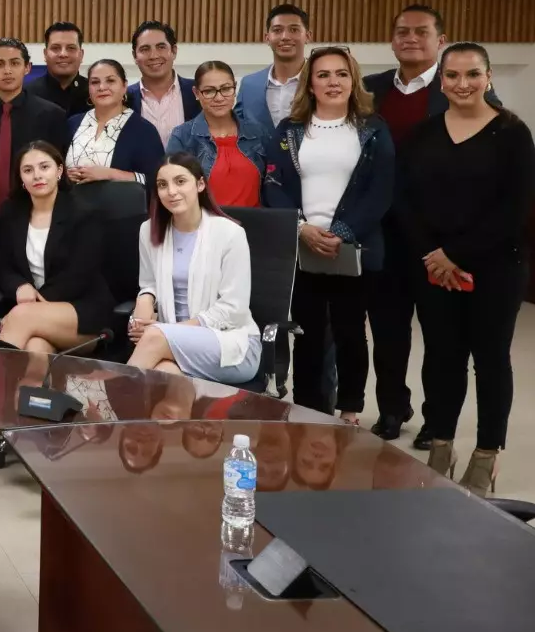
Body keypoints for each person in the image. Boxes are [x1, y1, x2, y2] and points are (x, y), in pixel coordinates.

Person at [394, 42, 535, 496]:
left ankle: (487, 453)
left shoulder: (512, 133)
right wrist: (434, 255)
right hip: (434, 269)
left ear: (488, 78)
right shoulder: (423, 134)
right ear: (441, 82)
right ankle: (441, 443)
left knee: (490, 361)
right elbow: (406, 202)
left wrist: (457, 254)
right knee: (442, 358)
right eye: (452, 76)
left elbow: (514, 209)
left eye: (472, 75)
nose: (462, 84)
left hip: (495, 267)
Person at [264, 46, 394, 419]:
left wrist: (341, 231)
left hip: (353, 248)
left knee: (351, 332)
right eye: (323, 74)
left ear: (353, 80)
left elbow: (380, 190)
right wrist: (302, 228)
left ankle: (350, 408)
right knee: (307, 334)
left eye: (341, 73)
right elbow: (273, 182)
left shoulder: (372, 128)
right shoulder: (290, 130)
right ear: (311, 83)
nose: (332, 82)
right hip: (303, 246)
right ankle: (308, 409)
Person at [362, 4, 462, 447]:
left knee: (441, 336)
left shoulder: (457, 89)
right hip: (384, 233)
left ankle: (436, 420)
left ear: (441, 41)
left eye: (422, 32)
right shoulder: (371, 90)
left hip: (437, 238)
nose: (410, 39)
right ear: (392, 39)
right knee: (387, 332)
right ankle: (391, 408)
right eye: (402, 31)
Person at [126, 154, 261, 383]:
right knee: (165, 377)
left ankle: (110, 402)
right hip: (169, 343)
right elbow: (149, 283)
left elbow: (233, 309)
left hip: (231, 345)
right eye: (162, 185)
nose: (171, 191)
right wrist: (145, 300)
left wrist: (169, 331)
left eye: (180, 181)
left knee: (155, 338)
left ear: (200, 184)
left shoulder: (230, 234)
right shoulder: (148, 230)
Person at [0, 143, 111, 354]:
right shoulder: (11, 212)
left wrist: (30, 308)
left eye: (44, 167)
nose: (37, 175)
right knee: (35, 349)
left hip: (82, 313)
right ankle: (33, 387)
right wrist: (20, 288)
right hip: (32, 316)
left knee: (21, 318)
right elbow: (5, 269)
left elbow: (79, 276)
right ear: (20, 178)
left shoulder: (84, 213)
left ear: (59, 171)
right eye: (28, 170)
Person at [0, 38, 70, 268]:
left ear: (27, 68)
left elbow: (60, 172)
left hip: (34, 217)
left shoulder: (51, 115)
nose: (7, 70)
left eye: (14, 63)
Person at [165, 61, 269, 207]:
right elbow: (174, 190)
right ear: (196, 93)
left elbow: (272, 187)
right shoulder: (183, 136)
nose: (219, 98)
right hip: (204, 226)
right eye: (209, 91)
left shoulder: (258, 133)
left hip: (253, 224)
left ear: (235, 87)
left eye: (226, 89)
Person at [65, 58, 164, 187]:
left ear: (124, 86)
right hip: (70, 204)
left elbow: (158, 180)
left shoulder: (144, 130)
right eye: (95, 82)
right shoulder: (72, 123)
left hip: (122, 206)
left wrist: (110, 174)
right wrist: (65, 175)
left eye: (110, 81)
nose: (102, 87)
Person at [237, 4, 310, 133]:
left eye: (294, 30)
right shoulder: (249, 85)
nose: (285, 37)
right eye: (277, 30)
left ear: (307, 36)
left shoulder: (322, 81)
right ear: (267, 38)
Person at [127, 21, 200, 147]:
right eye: (145, 49)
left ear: (174, 51)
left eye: (161, 47)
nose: (154, 55)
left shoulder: (198, 92)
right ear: (134, 56)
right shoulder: (124, 98)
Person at [26, 22, 92, 116]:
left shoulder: (95, 93)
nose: (63, 54)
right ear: (45, 54)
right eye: (55, 48)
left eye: (71, 48)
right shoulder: (27, 95)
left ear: (81, 55)